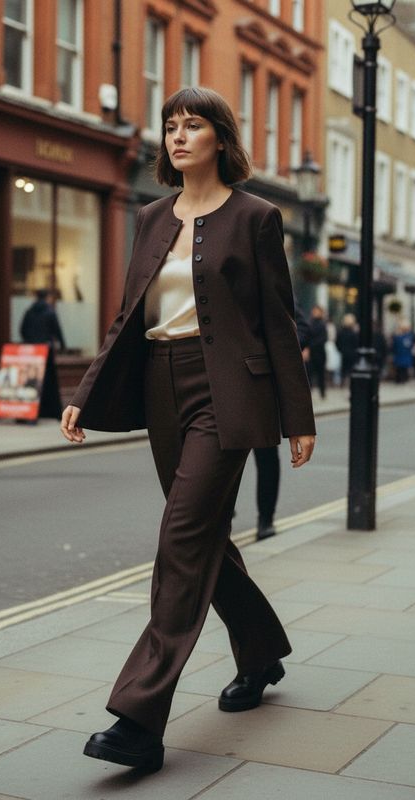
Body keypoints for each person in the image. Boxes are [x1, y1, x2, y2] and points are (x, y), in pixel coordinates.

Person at [60, 87, 315, 772]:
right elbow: (124, 315)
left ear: (219, 139)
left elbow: (278, 320)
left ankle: (139, 718)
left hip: (227, 393)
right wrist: (84, 393)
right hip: (161, 388)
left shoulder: (257, 217)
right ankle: (261, 654)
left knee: (179, 539)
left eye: (192, 125)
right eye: (170, 126)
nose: (177, 135)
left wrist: (298, 417)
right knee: (202, 536)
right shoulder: (149, 217)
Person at [253, 305, 311, 540]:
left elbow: (303, 328)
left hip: (261, 388)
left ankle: (266, 518)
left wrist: (275, 350)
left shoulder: (264, 274)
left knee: (266, 457)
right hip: (225, 387)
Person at [305, 304, 327, 399]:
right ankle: (308, 393)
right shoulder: (309, 323)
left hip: (319, 353)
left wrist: (310, 346)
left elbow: (323, 339)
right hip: (311, 353)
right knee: (308, 374)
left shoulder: (322, 325)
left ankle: (322, 393)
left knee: (320, 374)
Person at [336, 313, 359, 386]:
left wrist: (341, 350)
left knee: (344, 369)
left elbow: (337, 343)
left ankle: (343, 383)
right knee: (351, 370)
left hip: (344, 353)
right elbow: (356, 344)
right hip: (352, 354)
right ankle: (350, 383)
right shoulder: (353, 333)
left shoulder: (341, 332)